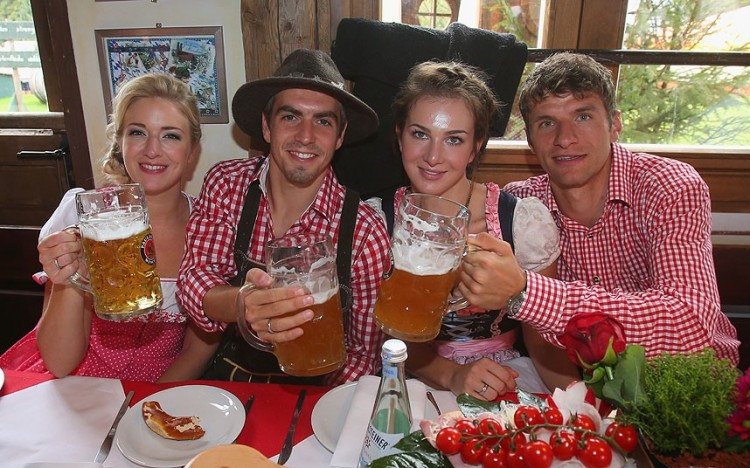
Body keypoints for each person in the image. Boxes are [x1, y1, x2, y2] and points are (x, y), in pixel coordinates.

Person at [459, 52, 740, 364]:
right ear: (530, 140)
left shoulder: (670, 187)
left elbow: (689, 325)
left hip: (686, 382)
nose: (565, 138)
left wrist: (527, 292)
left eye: (583, 116)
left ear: (615, 125)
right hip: (580, 385)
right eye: (547, 122)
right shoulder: (520, 208)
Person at [177, 49, 391, 385]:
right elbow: (194, 281)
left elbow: (365, 354)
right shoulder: (227, 185)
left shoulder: (365, 231)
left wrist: (316, 416)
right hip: (230, 380)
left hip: (320, 391)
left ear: (340, 137)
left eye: (323, 121)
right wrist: (243, 304)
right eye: (290, 117)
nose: (306, 136)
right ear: (267, 126)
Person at [0, 73, 221, 382]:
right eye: (137, 132)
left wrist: (148, 407)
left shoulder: (210, 225)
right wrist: (72, 280)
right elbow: (60, 363)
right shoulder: (81, 214)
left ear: (192, 151)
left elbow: (197, 350)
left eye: (171, 135)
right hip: (79, 385)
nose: (152, 150)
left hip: (164, 389)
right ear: (120, 142)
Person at [388, 61, 580, 400]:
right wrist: (452, 374)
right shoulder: (377, 221)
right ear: (399, 136)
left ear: (476, 146)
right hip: (409, 377)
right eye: (420, 134)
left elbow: (540, 339)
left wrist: (579, 405)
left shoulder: (519, 223)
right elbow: (378, 336)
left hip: (504, 376)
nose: (433, 156)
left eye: (454, 139)